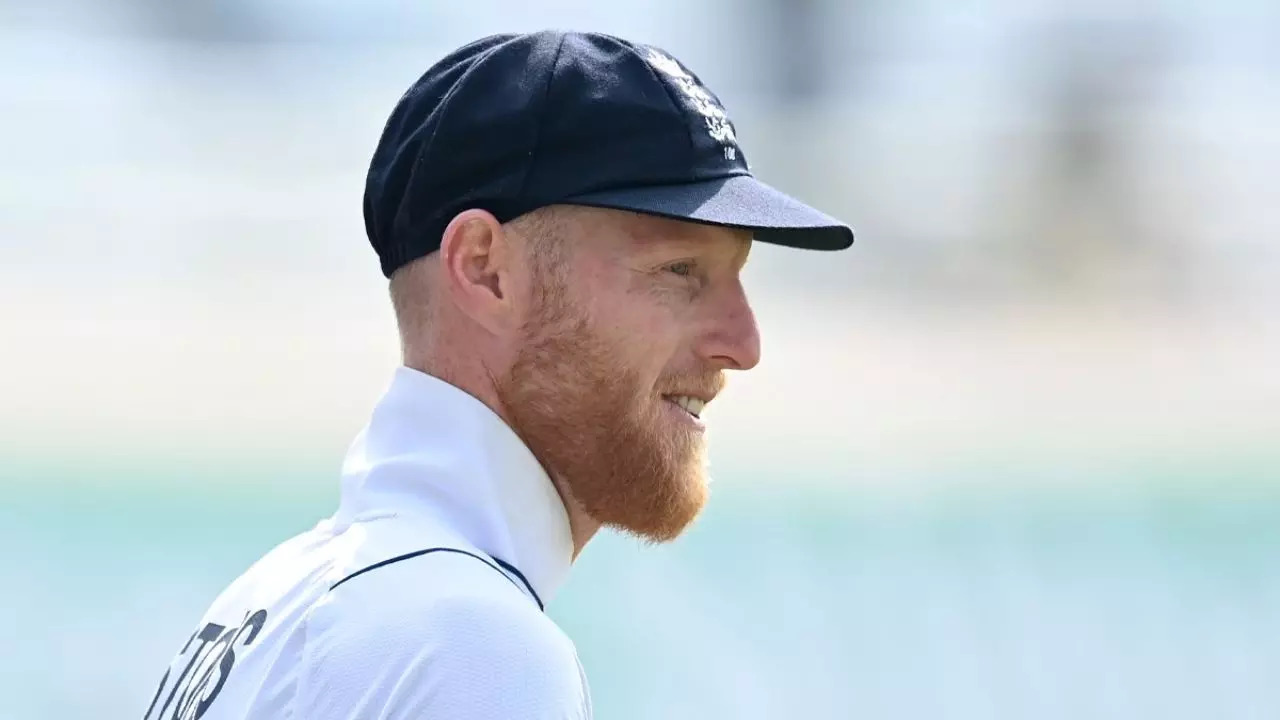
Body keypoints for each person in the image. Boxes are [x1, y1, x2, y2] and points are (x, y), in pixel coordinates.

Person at [141, 30, 853, 720]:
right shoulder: (472, 647)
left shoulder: (262, 605)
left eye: (737, 277)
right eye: (678, 270)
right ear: (484, 268)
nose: (743, 343)